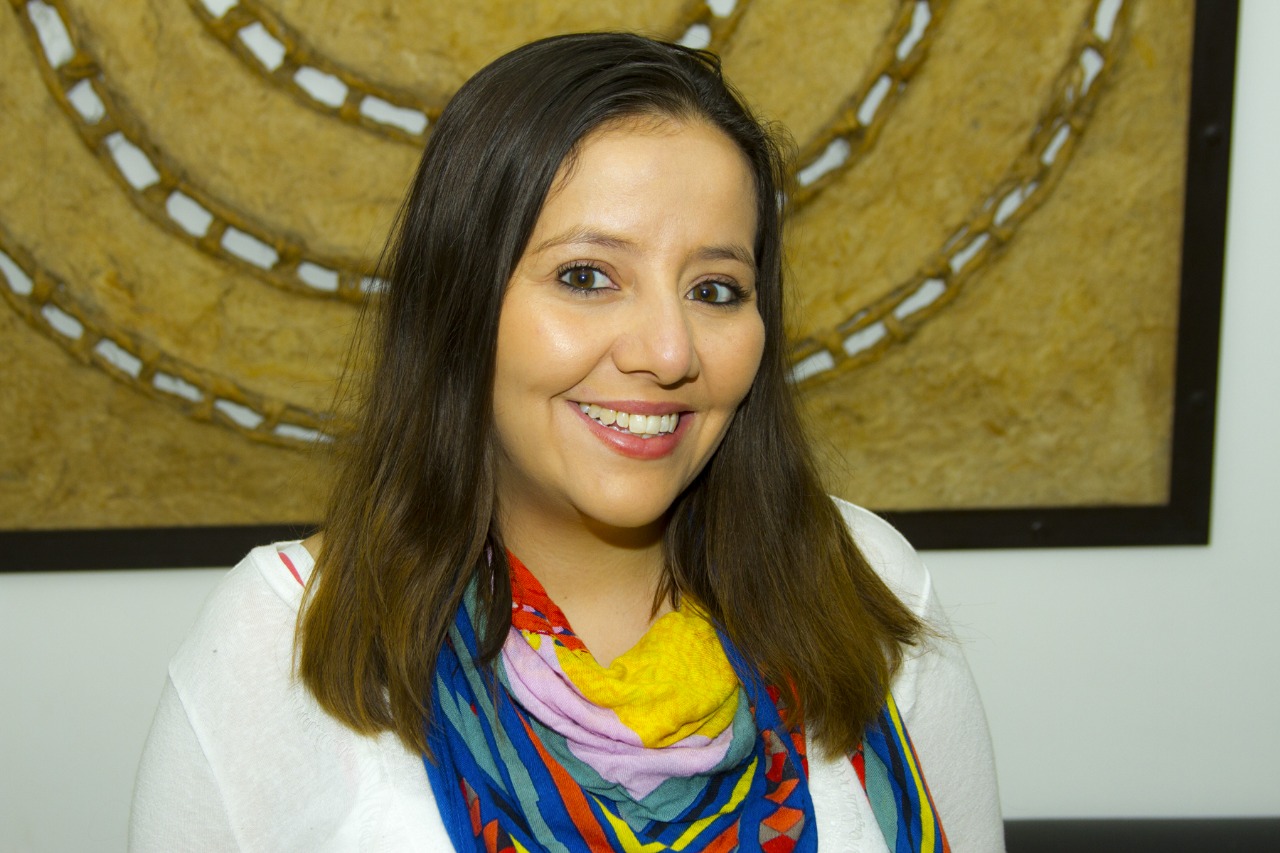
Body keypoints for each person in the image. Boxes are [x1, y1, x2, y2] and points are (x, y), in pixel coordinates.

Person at [129, 32, 1003, 852]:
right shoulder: (282, 638)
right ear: (460, 302)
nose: (668, 351)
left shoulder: (866, 583)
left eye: (715, 289)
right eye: (587, 276)